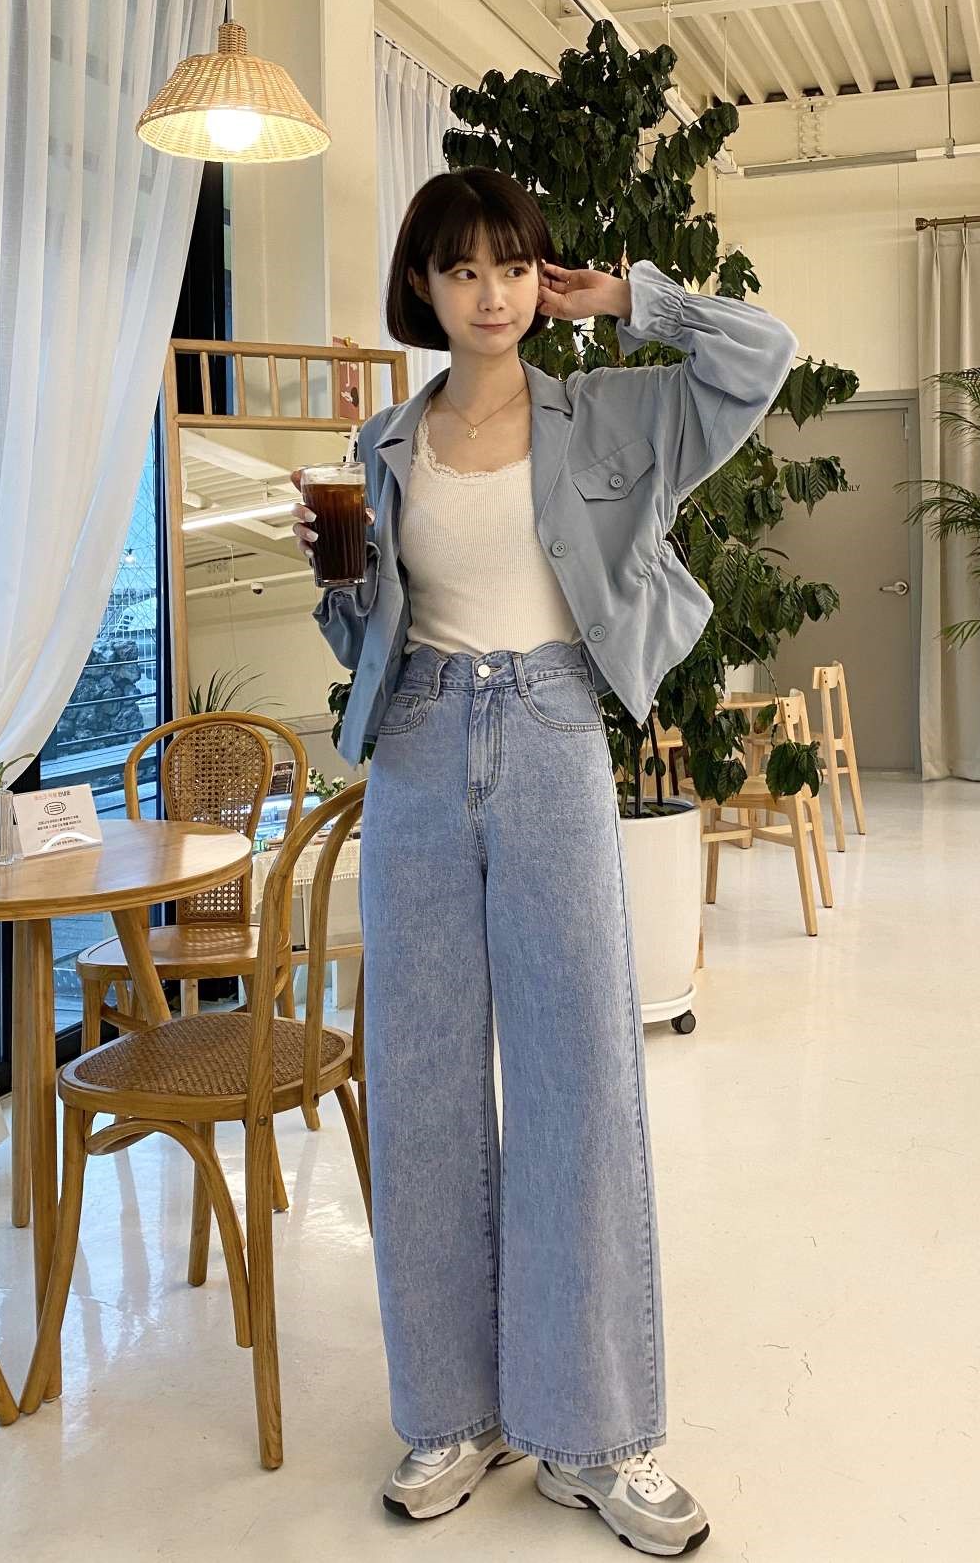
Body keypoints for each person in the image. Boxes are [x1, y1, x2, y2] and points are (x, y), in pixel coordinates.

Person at [294, 167, 796, 1557]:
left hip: (553, 732)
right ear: (423, 286)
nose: (492, 292)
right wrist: (340, 585)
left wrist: (632, 297)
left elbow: (762, 358)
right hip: (416, 750)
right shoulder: (385, 442)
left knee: (580, 1081)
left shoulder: (610, 413)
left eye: (512, 264)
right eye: (461, 268)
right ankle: (454, 1413)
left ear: (539, 276)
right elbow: (366, 640)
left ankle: (596, 1435)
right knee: (421, 1084)